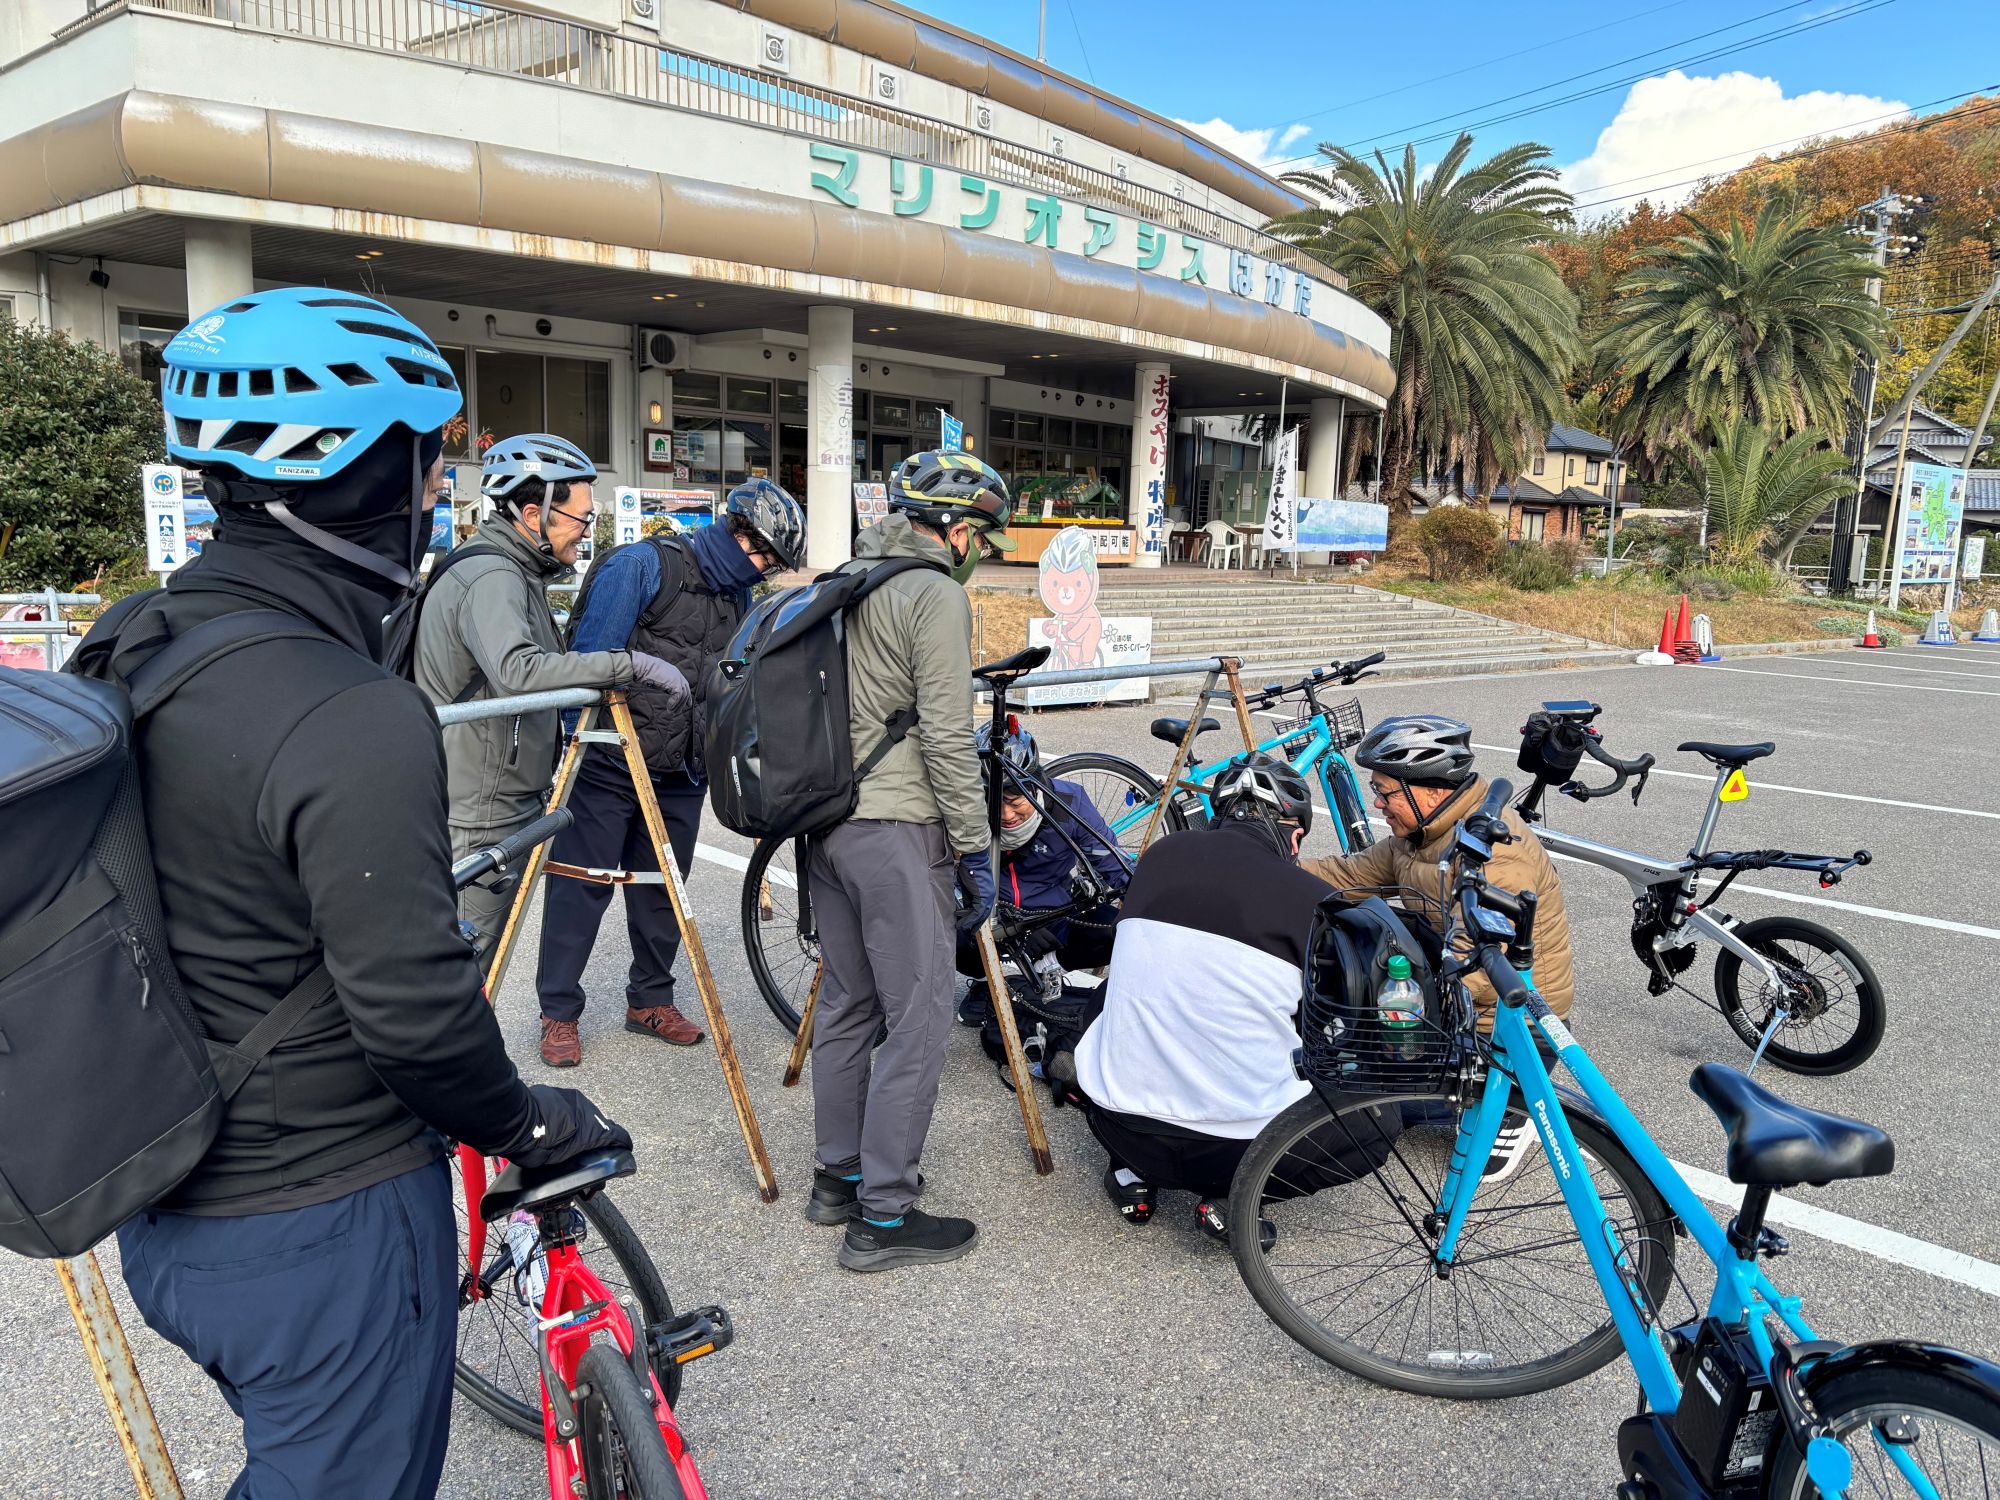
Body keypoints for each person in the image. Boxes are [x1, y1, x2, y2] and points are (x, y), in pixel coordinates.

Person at [97, 289, 630, 1499]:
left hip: (172, 1201)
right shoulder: (342, 708)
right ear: (361, 470)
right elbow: (415, 1014)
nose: (433, 492)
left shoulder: (140, 638)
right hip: (317, 1216)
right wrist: (524, 1122)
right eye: (425, 461)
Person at [804, 450, 1015, 1272]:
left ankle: (838, 1176)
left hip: (828, 825)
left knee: (850, 1005)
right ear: (955, 529)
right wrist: (974, 846)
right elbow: (945, 739)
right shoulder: (931, 593)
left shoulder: (847, 579)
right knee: (921, 1018)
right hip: (897, 829)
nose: (981, 552)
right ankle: (884, 1216)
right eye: (983, 538)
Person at [533, 479, 805, 1067]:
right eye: (765, 558)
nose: (765, 574)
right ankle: (559, 1013)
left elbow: (738, 686)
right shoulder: (642, 565)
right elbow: (585, 659)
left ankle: (650, 1000)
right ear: (739, 533)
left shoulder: (739, 597)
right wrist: (573, 742)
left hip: (683, 767)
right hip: (611, 756)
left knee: (664, 891)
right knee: (582, 886)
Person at [413, 432, 684, 945]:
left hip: (496, 797)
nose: (585, 533)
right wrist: (625, 665)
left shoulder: (517, 569)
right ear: (534, 513)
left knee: (478, 967)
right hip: (480, 809)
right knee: (467, 966)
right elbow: (520, 670)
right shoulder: (493, 575)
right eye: (582, 519)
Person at [1069, 754, 1346, 1241]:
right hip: (1234, 1152)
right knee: (1376, 1114)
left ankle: (1130, 1173)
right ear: (1295, 836)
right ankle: (1230, 1198)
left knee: (1114, 994)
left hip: (1119, 1125)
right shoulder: (1313, 897)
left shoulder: (1160, 855)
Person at [1302, 714, 1575, 1021]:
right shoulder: (1420, 834)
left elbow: (1481, 966)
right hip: (1458, 1002)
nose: (1377, 804)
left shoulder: (1494, 853)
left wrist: (1403, 998)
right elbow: (1347, 875)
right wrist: (1267, 866)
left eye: (1384, 792)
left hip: (1508, 1025)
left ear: (1431, 791)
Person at [954, 715, 1128, 1029]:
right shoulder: (964, 813)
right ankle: (987, 982)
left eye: (1014, 800)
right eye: (994, 801)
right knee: (946, 932)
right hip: (990, 919)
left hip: (1052, 918)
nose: (1006, 815)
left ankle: (1051, 967)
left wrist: (1140, 900)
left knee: (1120, 930)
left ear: (1032, 784)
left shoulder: (1069, 802)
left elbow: (1113, 864)